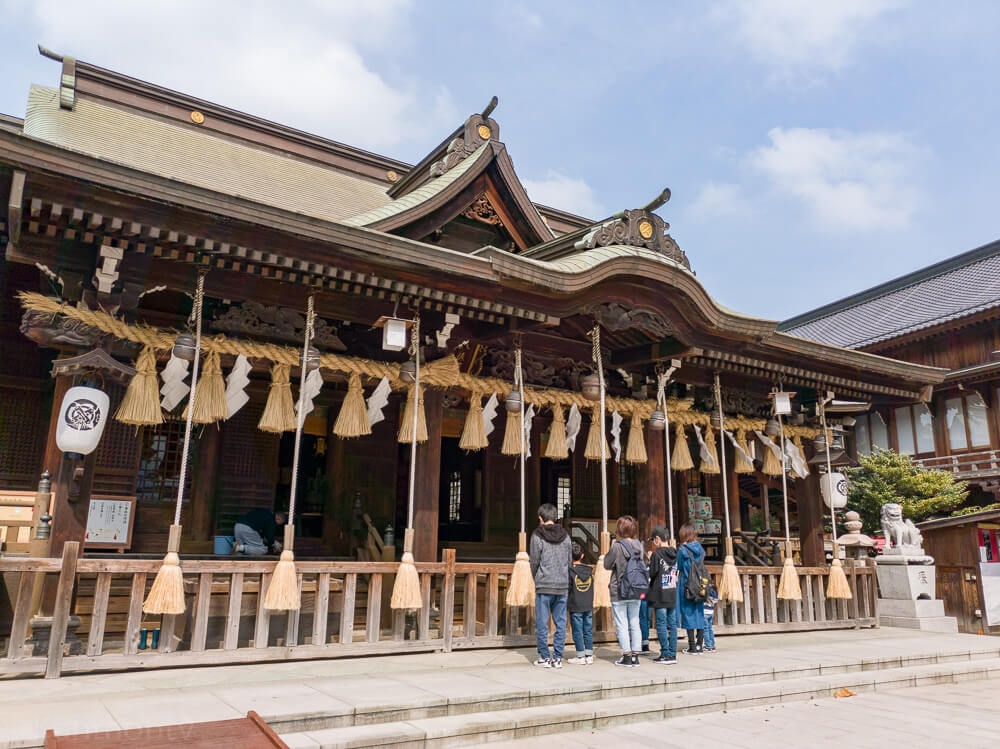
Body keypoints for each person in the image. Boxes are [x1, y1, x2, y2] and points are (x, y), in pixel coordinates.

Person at [529, 502, 572, 669]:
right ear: (556, 518)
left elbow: (534, 561)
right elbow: (569, 562)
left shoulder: (537, 536)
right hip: (561, 584)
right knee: (560, 622)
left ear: (540, 518)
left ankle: (545, 657)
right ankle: (558, 657)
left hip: (544, 583)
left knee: (542, 622)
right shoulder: (566, 536)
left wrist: (536, 577)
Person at [603, 514, 646, 667]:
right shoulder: (639, 545)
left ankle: (626, 656)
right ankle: (636, 655)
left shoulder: (617, 546)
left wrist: (612, 546)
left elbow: (607, 565)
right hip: (636, 588)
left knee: (622, 623)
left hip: (619, 588)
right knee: (635, 622)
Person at [645, 525, 680, 665]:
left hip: (659, 593)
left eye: (654, 539)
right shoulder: (675, 553)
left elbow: (651, 573)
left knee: (661, 624)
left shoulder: (657, 554)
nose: (654, 542)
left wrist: (649, 559)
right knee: (672, 624)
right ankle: (672, 653)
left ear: (658, 539)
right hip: (672, 591)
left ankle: (665, 653)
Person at [676, 522, 706, 655]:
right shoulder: (700, 549)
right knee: (699, 612)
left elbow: (680, 566)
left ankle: (692, 646)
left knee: (688, 613)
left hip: (687, 584)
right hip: (700, 584)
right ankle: (700, 645)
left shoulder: (683, 550)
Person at [566, 542, 594, 665]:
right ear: (582, 556)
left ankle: (580, 656)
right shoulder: (589, 571)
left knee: (577, 631)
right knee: (588, 630)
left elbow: (568, 588)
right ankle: (589, 655)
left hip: (576, 605)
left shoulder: (570, 571)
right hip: (588, 605)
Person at [703, 580, 719, 653]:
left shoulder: (706, 590)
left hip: (705, 611)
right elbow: (716, 600)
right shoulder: (715, 591)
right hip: (711, 611)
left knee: (705, 629)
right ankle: (712, 645)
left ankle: (708, 646)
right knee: (710, 629)